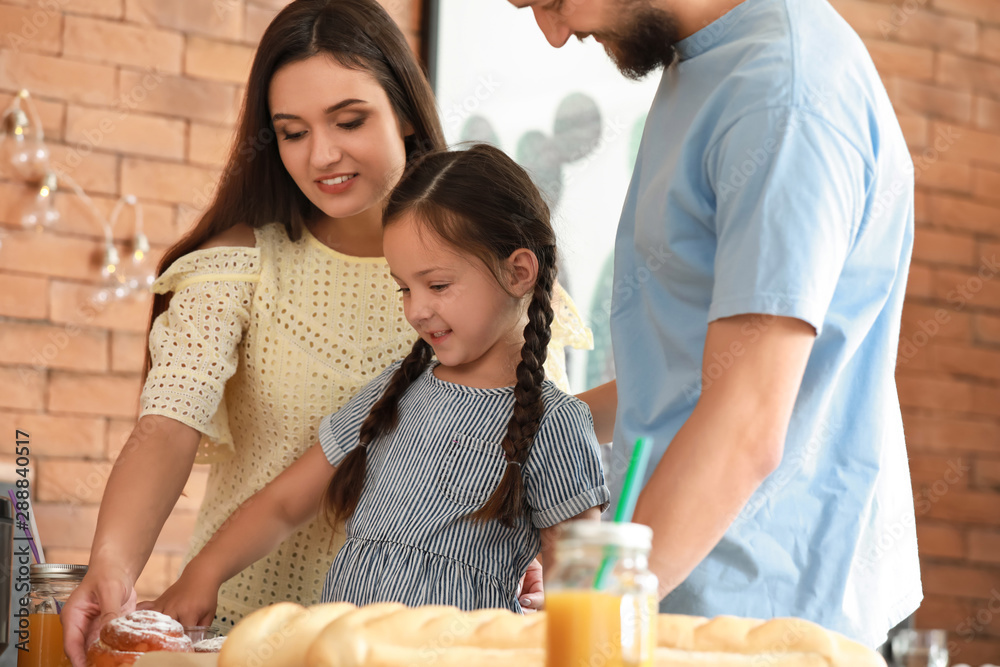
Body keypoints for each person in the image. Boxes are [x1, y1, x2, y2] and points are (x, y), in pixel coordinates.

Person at [62, 2, 591, 664]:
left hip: (423, 650)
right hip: (247, 637)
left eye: (349, 120)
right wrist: (113, 558)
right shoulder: (239, 267)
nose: (323, 155)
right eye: (291, 132)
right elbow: (167, 425)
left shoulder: (501, 279)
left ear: (401, 107)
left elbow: (541, 442)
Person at [512, 0, 921, 648]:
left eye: (552, 1)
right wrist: (538, 425)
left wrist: (599, 618)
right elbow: (696, 367)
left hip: (760, 620)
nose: (555, 33)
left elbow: (746, 421)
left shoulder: (782, 93)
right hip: (689, 602)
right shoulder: (704, 63)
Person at [147, 145, 609, 623]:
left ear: (518, 272)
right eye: (405, 287)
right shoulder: (396, 390)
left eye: (438, 285)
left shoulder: (557, 424)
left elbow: (576, 599)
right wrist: (202, 574)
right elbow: (284, 503)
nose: (416, 310)